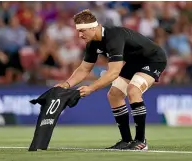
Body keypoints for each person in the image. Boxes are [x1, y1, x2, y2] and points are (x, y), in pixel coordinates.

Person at [55, 9, 167, 150]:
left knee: (133, 90)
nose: (80, 35)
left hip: (153, 59)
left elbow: (113, 73)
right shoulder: (92, 43)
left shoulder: (113, 36)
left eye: (83, 30)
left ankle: (141, 141)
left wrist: (91, 88)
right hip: (134, 61)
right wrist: (66, 84)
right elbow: (84, 69)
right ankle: (126, 140)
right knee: (114, 95)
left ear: (94, 27)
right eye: (79, 31)